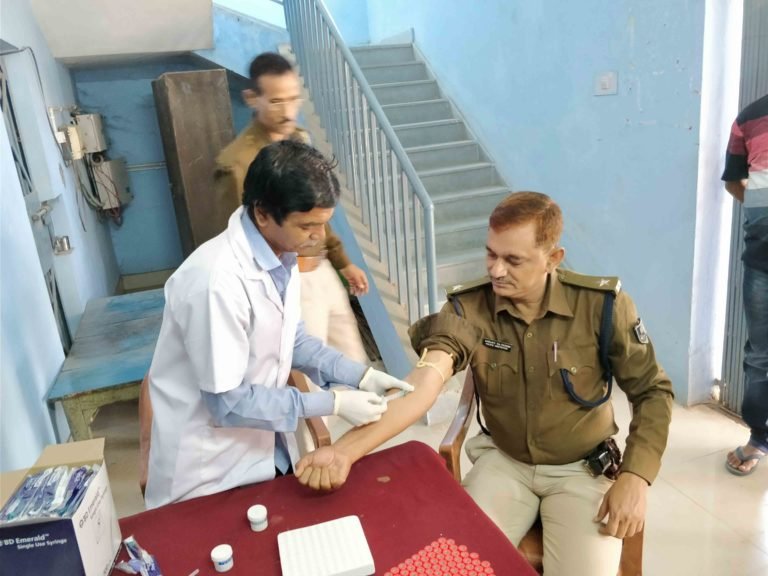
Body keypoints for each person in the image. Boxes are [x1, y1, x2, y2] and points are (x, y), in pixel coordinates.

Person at [295, 192, 674, 576]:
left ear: (553, 259)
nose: (495, 270)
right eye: (490, 254)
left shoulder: (601, 307)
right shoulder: (469, 309)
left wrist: (635, 476)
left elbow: (652, 392)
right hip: (504, 464)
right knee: (450, 567)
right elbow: (423, 385)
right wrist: (344, 451)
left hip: (581, 470)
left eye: (513, 260)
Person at [144, 141, 413, 509]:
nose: (319, 237)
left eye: (324, 223)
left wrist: (360, 375)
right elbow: (228, 402)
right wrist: (331, 403)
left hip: (263, 451)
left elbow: (293, 339)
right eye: (308, 226)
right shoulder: (215, 282)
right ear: (263, 214)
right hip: (209, 470)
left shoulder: (281, 255)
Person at [214, 52, 368, 362]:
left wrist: (341, 261)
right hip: (286, 283)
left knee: (353, 367)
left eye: (293, 99)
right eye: (276, 102)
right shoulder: (238, 165)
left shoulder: (299, 141)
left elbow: (316, 214)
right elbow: (238, 244)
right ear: (251, 98)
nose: (288, 112)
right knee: (309, 378)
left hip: (321, 270)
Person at [722, 93, 768, 476]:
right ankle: (759, 438)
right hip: (762, 263)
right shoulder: (749, 117)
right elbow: (733, 180)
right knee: (759, 357)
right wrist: (760, 205)